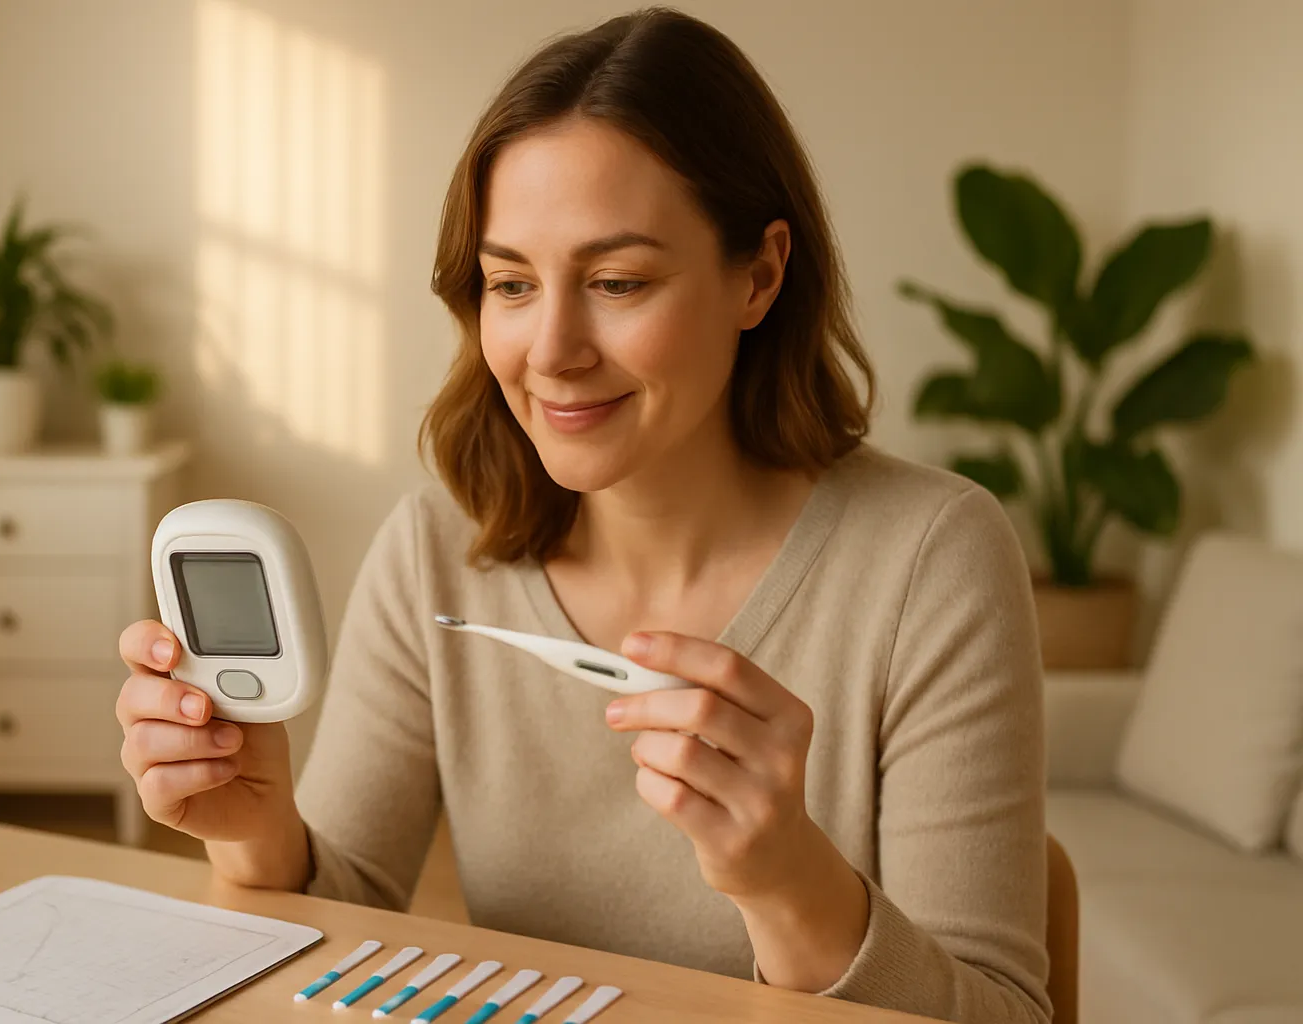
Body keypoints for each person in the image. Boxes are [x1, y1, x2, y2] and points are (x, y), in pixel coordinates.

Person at [115, 8, 1049, 1023]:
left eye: (616, 281)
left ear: (760, 274)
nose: (550, 348)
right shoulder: (438, 551)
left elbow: (1002, 1012)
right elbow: (342, 925)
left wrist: (788, 880)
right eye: (510, 282)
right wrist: (254, 830)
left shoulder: (932, 559)